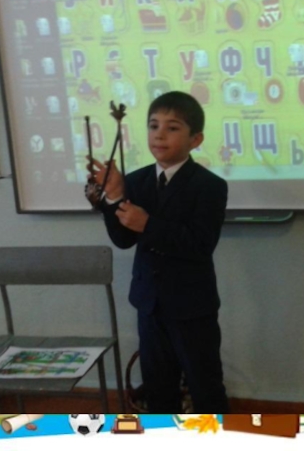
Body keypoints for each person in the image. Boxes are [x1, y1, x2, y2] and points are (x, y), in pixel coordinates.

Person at [88, 91, 230, 413]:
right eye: (154, 126)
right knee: (158, 387)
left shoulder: (209, 186)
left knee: (205, 385)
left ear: (196, 139)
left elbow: (200, 244)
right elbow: (123, 239)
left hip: (192, 307)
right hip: (149, 303)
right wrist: (114, 197)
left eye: (172, 127)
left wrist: (148, 224)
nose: (160, 134)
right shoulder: (136, 181)